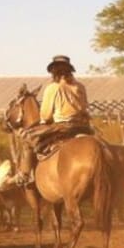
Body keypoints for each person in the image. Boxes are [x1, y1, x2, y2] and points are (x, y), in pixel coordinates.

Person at [17, 55, 94, 186]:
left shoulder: (53, 88)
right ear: (70, 70)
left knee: (27, 137)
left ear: (53, 72)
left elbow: (46, 116)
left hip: (63, 126)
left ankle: (25, 175)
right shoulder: (80, 86)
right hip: (84, 126)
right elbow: (85, 107)